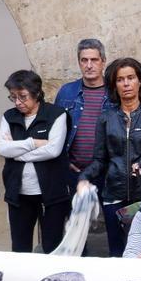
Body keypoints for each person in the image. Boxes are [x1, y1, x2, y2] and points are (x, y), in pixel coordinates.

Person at [77, 57, 141, 256]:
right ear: (114, 85)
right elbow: (99, 159)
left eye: (131, 78)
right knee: (117, 252)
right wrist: (83, 178)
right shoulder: (106, 118)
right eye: (120, 79)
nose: (126, 83)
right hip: (114, 196)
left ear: (140, 82)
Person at [0, 70, 71, 253]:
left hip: (51, 192)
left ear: (37, 93)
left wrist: (17, 151)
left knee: (52, 246)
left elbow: (53, 150)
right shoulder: (9, 117)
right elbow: (2, 148)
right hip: (18, 193)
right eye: (13, 97)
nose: (18, 102)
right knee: (20, 247)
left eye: (23, 97)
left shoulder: (56, 114)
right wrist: (33, 143)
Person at [55, 39, 112, 188]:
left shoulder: (114, 93)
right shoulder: (67, 92)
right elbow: (55, 131)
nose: (89, 65)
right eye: (84, 60)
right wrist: (64, 161)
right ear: (79, 62)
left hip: (108, 173)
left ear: (103, 61)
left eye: (94, 60)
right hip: (75, 173)